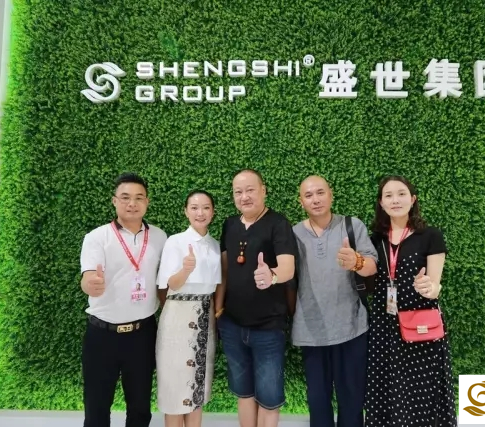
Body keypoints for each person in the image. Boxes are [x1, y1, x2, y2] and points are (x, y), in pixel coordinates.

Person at [364, 176, 457, 426]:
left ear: (413, 199)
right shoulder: (374, 240)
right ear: (381, 203)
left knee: (423, 390)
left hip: (421, 325)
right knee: (387, 389)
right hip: (384, 326)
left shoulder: (430, 236)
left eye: (402, 194)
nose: (395, 200)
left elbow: (435, 285)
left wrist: (429, 287)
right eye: (388, 195)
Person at [79, 172, 168, 427]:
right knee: (96, 409)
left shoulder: (160, 237)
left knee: (140, 409)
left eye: (139, 198)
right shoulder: (97, 237)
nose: (132, 203)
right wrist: (90, 284)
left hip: (142, 334)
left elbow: (163, 282)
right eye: (125, 197)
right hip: (102, 335)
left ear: (147, 202)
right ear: (114, 201)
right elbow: (87, 277)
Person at [291, 176, 378, 427]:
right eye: (308, 195)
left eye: (320, 193)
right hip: (311, 330)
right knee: (317, 400)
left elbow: (372, 267)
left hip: (351, 326)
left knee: (352, 398)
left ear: (331, 194)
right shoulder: (293, 234)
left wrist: (356, 262)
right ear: (301, 201)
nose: (315, 199)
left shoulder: (352, 226)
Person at [215, 169, 298, 427]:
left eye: (250, 190)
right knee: (244, 393)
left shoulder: (278, 223)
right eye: (238, 192)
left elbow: (288, 268)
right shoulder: (229, 224)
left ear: (263, 190)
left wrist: (271, 275)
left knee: (269, 398)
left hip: (268, 327)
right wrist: (218, 310)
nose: (244, 197)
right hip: (232, 325)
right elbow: (225, 270)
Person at [155, 190, 220, 427]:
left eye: (205, 207)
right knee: (174, 388)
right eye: (194, 207)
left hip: (205, 315)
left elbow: (217, 285)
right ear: (186, 211)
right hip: (177, 315)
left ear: (213, 212)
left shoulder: (215, 245)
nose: (200, 213)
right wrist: (186, 270)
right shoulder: (175, 242)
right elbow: (170, 284)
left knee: (197, 388)